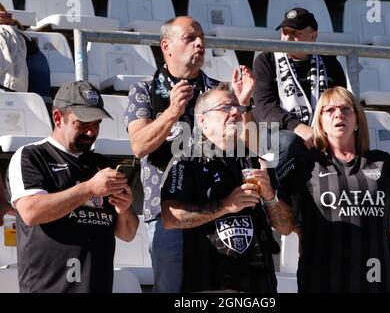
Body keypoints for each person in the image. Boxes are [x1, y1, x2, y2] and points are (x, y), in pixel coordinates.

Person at [124, 16, 255, 292]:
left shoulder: (220, 92)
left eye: (202, 39)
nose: (199, 44)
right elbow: (139, 145)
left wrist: (243, 106)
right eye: (190, 38)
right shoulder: (145, 89)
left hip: (222, 207)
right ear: (166, 46)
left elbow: (251, 145)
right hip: (170, 214)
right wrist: (172, 112)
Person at [276, 86, 390, 293]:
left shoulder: (382, 162)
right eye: (329, 110)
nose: (338, 114)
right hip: (321, 279)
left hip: (379, 280)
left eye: (346, 109)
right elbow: (273, 197)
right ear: (320, 122)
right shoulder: (305, 163)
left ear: (357, 120)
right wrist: (297, 227)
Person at [7, 81, 139, 293]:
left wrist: (124, 209)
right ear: (58, 118)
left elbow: (128, 233)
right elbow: (31, 212)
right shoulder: (31, 156)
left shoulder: (103, 165)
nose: (91, 132)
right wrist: (89, 189)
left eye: (96, 124)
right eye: (83, 124)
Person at [160, 85, 294, 292]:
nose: (235, 113)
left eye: (238, 108)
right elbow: (170, 218)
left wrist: (270, 196)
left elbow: (285, 227)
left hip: (260, 286)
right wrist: (225, 206)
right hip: (209, 285)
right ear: (203, 121)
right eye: (225, 107)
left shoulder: (258, 160)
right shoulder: (186, 161)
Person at [253, 7, 347, 162]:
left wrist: (321, 131)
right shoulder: (266, 60)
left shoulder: (330, 64)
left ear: (313, 36)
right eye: (284, 32)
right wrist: (297, 127)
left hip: (321, 130)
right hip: (276, 130)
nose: (287, 38)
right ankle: (273, 186)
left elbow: (341, 102)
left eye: (295, 33)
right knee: (290, 142)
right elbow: (265, 107)